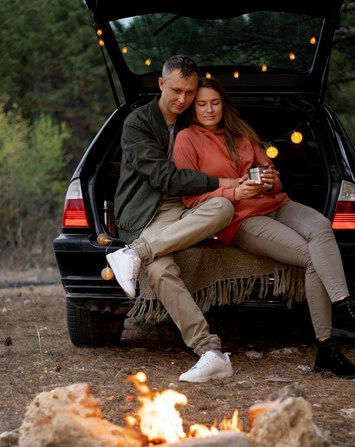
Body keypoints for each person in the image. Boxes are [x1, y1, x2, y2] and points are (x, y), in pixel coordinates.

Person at [173, 77, 355, 379]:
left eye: (214, 102)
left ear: (223, 104)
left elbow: (273, 173)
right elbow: (190, 197)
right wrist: (233, 194)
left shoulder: (242, 134)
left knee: (321, 226)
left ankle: (341, 303)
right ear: (193, 108)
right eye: (201, 104)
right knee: (310, 257)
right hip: (241, 220)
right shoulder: (187, 139)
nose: (209, 109)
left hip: (276, 203)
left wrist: (269, 180)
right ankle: (327, 348)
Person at [106, 56, 242, 383]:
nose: (183, 99)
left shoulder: (192, 120)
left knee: (224, 209)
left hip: (191, 205)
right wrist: (221, 184)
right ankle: (210, 351)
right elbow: (165, 178)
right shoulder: (137, 122)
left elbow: (225, 148)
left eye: (190, 93)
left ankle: (134, 254)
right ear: (161, 84)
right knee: (159, 268)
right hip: (149, 211)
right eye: (177, 91)